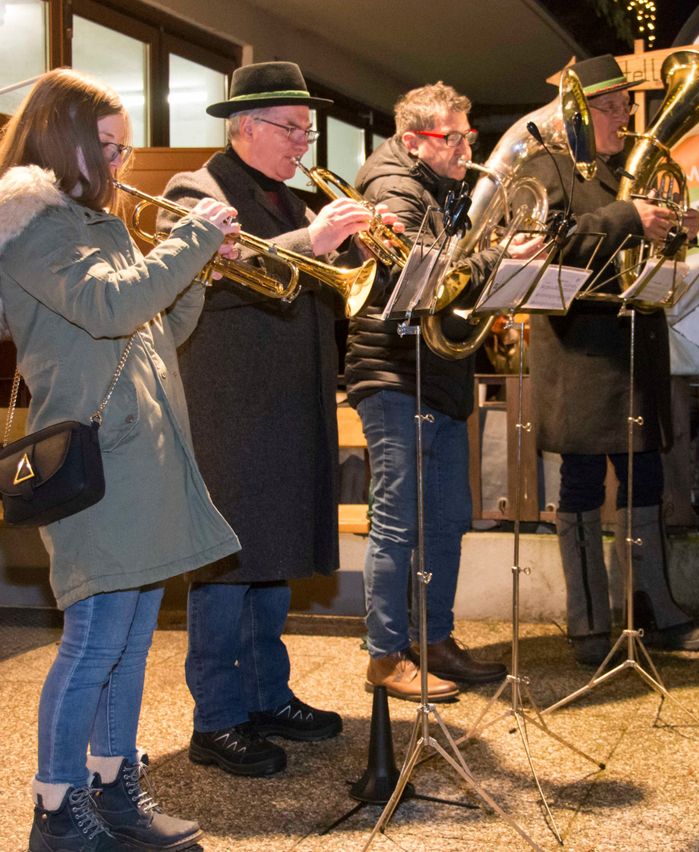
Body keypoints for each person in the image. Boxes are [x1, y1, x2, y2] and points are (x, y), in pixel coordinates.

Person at [0, 69, 241, 851]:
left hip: (135, 456)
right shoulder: (32, 224)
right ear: (61, 137)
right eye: (107, 146)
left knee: (132, 638)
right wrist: (189, 240)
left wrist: (198, 268)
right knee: (96, 638)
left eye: (122, 147)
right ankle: (56, 810)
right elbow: (109, 307)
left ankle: (112, 789)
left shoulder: (84, 223)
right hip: (95, 463)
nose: (120, 164)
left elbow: (152, 328)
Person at [160, 61, 393, 775]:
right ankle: (217, 718)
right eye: (293, 129)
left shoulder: (290, 198)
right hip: (230, 407)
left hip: (290, 403)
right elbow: (218, 273)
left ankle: (267, 694)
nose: (304, 143)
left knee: (273, 560)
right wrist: (314, 244)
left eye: (307, 129)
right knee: (228, 567)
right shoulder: (194, 190)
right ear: (244, 128)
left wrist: (361, 247)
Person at [346, 82, 540, 702]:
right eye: (450, 137)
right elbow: (426, 268)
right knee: (398, 520)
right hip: (394, 368)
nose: (465, 146)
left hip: (438, 372)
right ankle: (385, 655)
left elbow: (460, 266)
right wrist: (497, 261)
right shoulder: (391, 187)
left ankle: (433, 640)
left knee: (449, 517)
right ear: (412, 142)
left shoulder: (444, 188)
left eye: (467, 134)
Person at [522, 55, 699, 666]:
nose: (624, 117)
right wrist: (628, 216)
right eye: (610, 108)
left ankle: (654, 610)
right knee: (580, 486)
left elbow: (641, 259)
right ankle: (588, 625)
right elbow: (544, 244)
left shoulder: (626, 170)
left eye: (626, 106)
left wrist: (675, 230)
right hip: (579, 356)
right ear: (578, 112)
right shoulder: (545, 166)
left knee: (646, 483)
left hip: (634, 352)